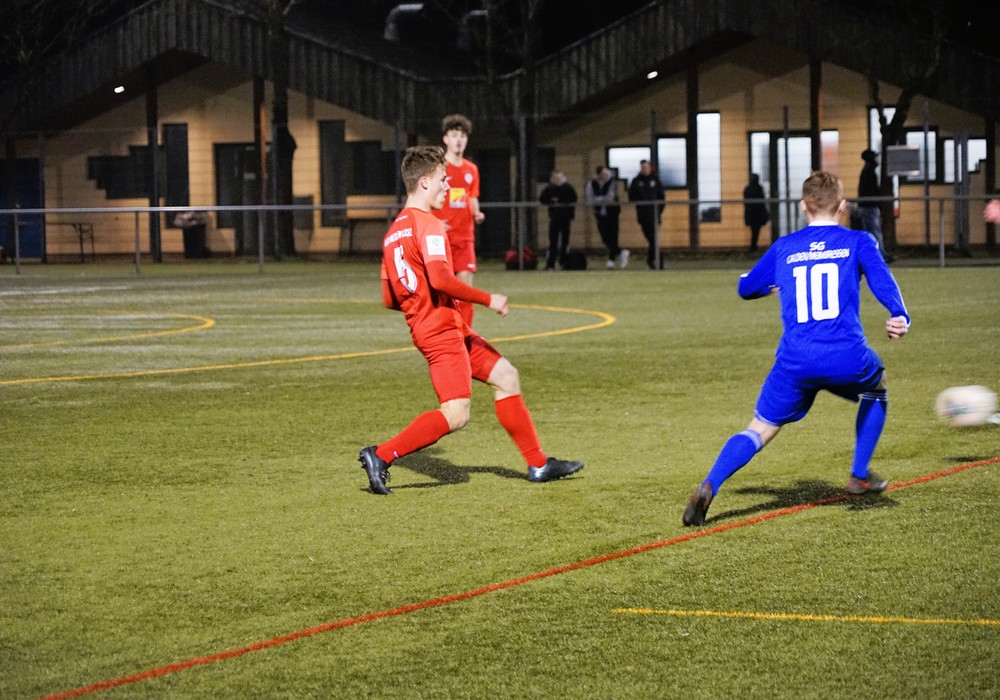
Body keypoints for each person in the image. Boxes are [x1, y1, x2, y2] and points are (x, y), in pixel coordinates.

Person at [682, 170, 910, 527]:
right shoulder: (859, 241)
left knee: (760, 428)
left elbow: (745, 287)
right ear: (842, 206)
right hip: (845, 357)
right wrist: (898, 314)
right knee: (877, 386)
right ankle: (859, 475)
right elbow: (881, 278)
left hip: (795, 362)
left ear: (804, 206)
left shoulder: (785, 247)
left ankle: (710, 483)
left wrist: (766, 286)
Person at [359, 145, 584, 495]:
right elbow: (441, 279)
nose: (447, 187)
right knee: (456, 414)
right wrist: (488, 298)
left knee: (506, 376)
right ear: (423, 182)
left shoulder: (392, 234)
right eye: (442, 180)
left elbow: (390, 298)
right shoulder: (429, 224)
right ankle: (381, 455)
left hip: (442, 327)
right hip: (441, 333)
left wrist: (419, 305)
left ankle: (538, 463)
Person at [434, 113, 485, 327]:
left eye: (462, 136)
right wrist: (435, 221)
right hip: (440, 240)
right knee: (441, 294)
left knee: (466, 292)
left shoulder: (471, 169)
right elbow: (426, 199)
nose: (459, 140)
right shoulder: (437, 168)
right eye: (454, 135)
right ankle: (441, 336)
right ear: (445, 139)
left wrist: (477, 212)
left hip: (464, 239)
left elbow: (471, 196)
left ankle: (465, 337)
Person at [586, 165, 627, 269]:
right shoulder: (592, 183)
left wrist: (600, 199)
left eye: (606, 173)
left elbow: (611, 197)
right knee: (605, 237)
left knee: (613, 236)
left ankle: (611, 260)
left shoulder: (612, 182)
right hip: (600, 213)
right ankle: (621, 252)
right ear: (598, 175)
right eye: (602, 174)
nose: (605, 175)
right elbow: (591, 198)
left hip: (612, 213)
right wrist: (603, 199)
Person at [627, 159, 665, 269]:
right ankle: (653, 260)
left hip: (654, 215)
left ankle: (656, 261)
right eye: (643, 167)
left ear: (649, 167)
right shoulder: (636, 181)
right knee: (652, 239)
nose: (645, 169)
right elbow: (632, 197)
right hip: (643, 216)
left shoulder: (656, 179)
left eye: (646, 167)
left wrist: (658, 210)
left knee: (653, 239)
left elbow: (662, 197)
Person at [538, 168, 578, 269]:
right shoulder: (550, 188)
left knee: (565, 241)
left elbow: (574, 198)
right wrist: (551, 202)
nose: (557, 180)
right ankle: (550, 263)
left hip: (566, 218)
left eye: (559, 178)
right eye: (555, 178)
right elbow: (542, 198)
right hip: (554, 218)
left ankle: (563, 262)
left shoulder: (568, 188)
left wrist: (561, 201)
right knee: (553, 241)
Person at [857, 149, 891, 261]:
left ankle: (871, 253)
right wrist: (878, 201)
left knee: (869, 231)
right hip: (870, 206)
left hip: (866, 205)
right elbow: (872, 190)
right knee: (875, 231)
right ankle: (881, 254)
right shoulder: (869, 171)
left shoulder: (866, 170)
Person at [742, 173, 770, 253]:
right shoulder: (759, 188)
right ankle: (753, 247)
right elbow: (762, 201)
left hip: (750, 214)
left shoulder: (747, 189)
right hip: (758, 214)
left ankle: (753, 247)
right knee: (756, 231)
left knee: (754, 231)